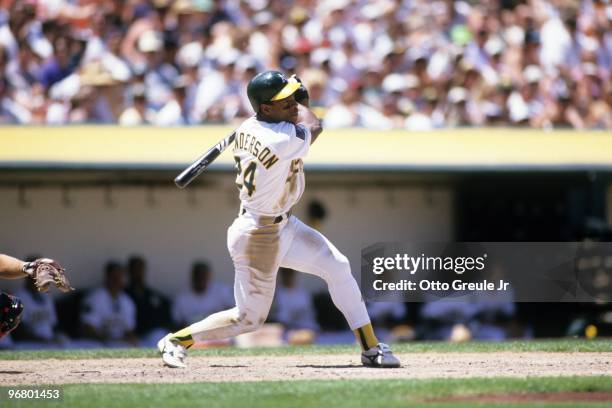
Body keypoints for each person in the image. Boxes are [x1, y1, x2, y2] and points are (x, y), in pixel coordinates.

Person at [158, 70, 400, 368]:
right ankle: (176, 339)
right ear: (265, 108)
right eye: (282, 101)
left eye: (289, 100)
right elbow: (315, 125)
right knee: (247, 319)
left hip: (283, 224)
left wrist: (290, 95)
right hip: (258, 235)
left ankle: (370, 347)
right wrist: (300, 101)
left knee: (338, 267)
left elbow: (293, 116)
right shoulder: (278, 138)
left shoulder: (255, 125)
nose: (290, 104)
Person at [0, 253, 68, 340]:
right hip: (28, 344)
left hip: (49, 342)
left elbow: (53, 324)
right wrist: (41, 340)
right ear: (27, 276)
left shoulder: (46, 297)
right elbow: (17, 331)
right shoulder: (19, 297)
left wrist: (57, 337)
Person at [81, 261, 138, 346]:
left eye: (119, 277)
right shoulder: (94, 298)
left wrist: (131, 339)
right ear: (107, 277)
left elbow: (129, 330)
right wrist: (109, 340)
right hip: (98, 342)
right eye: (113, 277)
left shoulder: (127, 301)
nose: (116, 280)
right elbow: (87, 329)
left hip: (119, 343)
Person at [171, 261, 233, 329]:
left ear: (209, 276)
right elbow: (177, 322)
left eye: (203, 276)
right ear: (192, 277)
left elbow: (234, 312)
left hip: (220, 330)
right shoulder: (181, 296)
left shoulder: (222, 290)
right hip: (192, 333)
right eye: (198, 276)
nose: (200, 279)